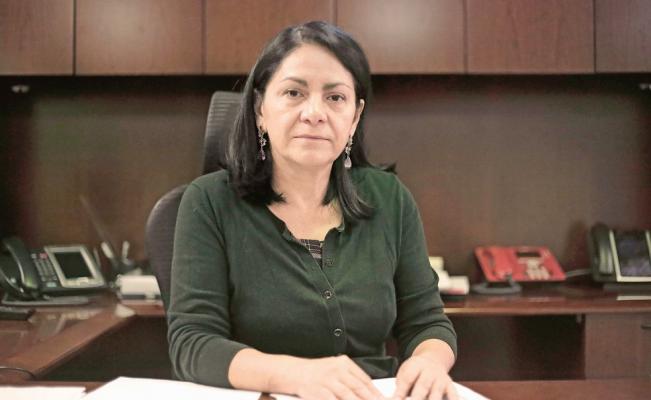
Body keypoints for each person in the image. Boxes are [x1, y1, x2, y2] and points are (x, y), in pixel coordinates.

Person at [167, 21, 458, 400]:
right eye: (294, 93)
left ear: (354, 117)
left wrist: (430, 362)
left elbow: (426, 321)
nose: (314, 113)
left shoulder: (390, 198)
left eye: (335, 97)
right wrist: (294, 376)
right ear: (259, 108)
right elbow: (192, 342)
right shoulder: (208, 201)